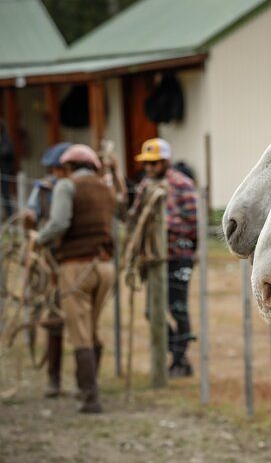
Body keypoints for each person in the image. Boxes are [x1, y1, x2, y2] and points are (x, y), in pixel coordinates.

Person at [31, 144, 115, 413]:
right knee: (91, 329)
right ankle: (86, 388)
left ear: (68, 167)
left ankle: (90, 397)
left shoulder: (66, 187)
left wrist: (38, 239)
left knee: (79, 334)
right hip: (104, 266)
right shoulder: (105, 188)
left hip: (76, 267)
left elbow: (59, 224)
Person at [130, 138, 197, 377]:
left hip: (178, 256)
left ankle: (179, 360)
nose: (149, 168)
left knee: (178, 308)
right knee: (152, 310)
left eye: (155, 163)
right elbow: (135, 215)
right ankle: (176, 353)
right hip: (154, 257)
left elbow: (194, 223)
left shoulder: (182, 185)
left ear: (166, 161)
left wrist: (171, 233)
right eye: (147, 163)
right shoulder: (145, 185)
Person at [23, 142, 72, 398]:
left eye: (60, 168)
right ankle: (54, 378)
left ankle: (86, 383)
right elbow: (31, 212)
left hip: (75, 260)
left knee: (82, 323)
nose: (56, 173)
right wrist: (30, 219)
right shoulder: (42, 189)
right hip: (51, 264)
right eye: (54, 168)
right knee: (54, 319)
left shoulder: (81, 188)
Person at [0, 118, 15, 220]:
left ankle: (10, 216)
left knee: (6, 194)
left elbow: (8, 151)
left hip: (5, 171)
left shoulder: (6, 138)